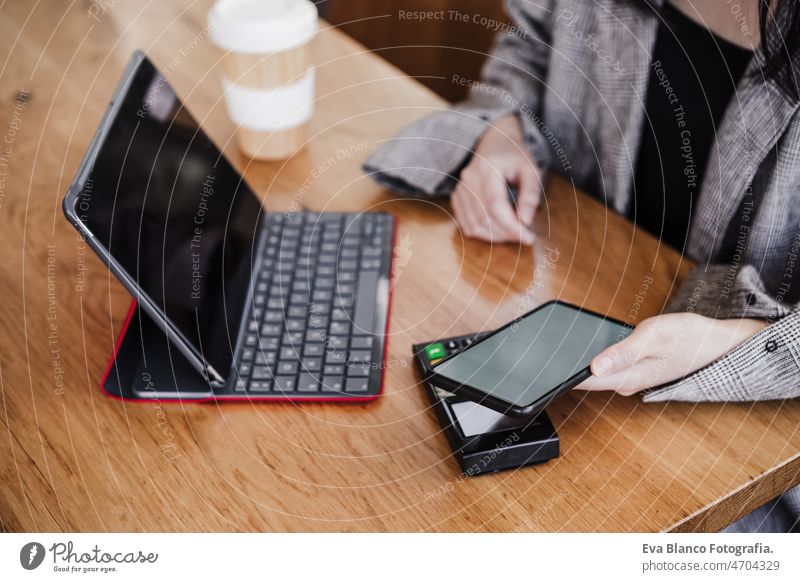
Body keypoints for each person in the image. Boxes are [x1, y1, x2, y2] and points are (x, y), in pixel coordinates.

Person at [363, 0, 800, 531]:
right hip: (582, 278)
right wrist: (501, 130)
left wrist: (731, 345)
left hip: (759, 444)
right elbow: (528, 46)